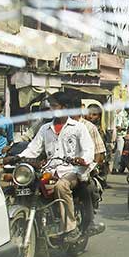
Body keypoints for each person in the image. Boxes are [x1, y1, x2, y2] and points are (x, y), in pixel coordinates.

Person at [16, 91, 95, 243]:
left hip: (71, 171)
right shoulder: (45, 129)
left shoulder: (78, 128)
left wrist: (82, 159)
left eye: (54, 106)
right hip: (50, 170)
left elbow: (88, 149)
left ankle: (70, 228)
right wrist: (17, 157)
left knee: (61, 186)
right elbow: (33, 148)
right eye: (50, 106)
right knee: (27, 185)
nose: (51, 109)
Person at [67, 97, 107, 237]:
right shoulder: (54, 126)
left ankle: (89, 222)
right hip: (61, 167)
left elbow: (98, 153)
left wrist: (91, 166)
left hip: (82, 168)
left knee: (85, 186)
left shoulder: (89, 127)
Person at [112, 103, 129, 174]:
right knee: (119, 152)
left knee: (126, 153)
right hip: (121, 136)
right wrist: (126, 129)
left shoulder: (127, 115)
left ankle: (122, 167)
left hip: (126, 136)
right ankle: (115, 168)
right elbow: (118, 127)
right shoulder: (121, 115)